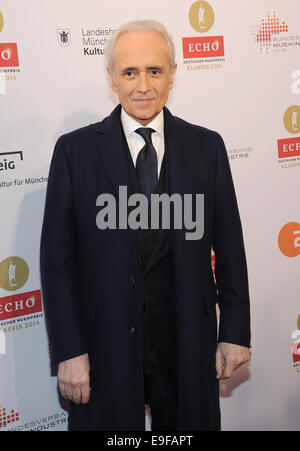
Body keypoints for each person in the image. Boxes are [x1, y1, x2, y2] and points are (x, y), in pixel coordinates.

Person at [40, 20, 251, 431]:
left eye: (154, 71)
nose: (142, 85)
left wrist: (236, 331)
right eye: (129, 72)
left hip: (189, 340)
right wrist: (69, 351)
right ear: (111, 79)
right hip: (104, 348)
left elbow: (230, 249)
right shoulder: (74, 152)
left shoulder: (206, 147)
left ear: (173, 72)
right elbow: (57, 263)